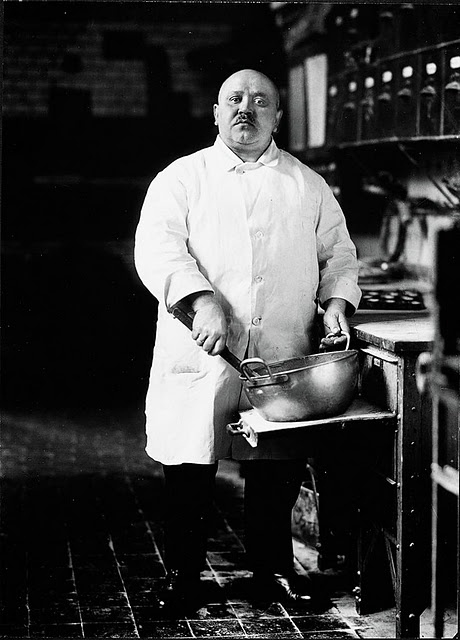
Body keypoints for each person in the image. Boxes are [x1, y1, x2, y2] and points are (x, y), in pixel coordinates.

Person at [134, 68, 361, 616]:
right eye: (234, 98)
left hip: (280, 350)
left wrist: (336, 303)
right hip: (203, 350)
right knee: (189, 466)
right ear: (216, 112)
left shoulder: (306, 184)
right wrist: (199, 299)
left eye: (261, 101)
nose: (247, 108)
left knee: (274, 469)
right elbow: (158, 250)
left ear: (278, 117)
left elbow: (339, 255)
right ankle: (183, 576)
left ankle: (273, 571)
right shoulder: (182, 179)